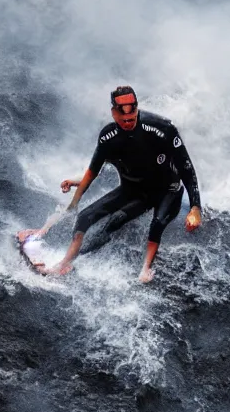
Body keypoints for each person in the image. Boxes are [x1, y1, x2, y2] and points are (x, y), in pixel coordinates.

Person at [19, 85, 202, 282]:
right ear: (114, 113)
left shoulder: (163, 128)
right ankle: (65, 261)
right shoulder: (109, 136)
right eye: (123, 120)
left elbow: (186, 167)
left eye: (132, 119)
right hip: (134, 189)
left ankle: (145, 269)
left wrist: (195, 207)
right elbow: (93, 171)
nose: (128, 123)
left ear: (137, 110)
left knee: (138, 222)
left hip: (167, 190)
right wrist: (75, 194)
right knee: (84, 216)